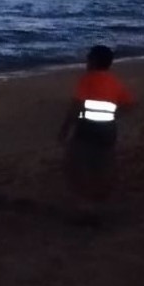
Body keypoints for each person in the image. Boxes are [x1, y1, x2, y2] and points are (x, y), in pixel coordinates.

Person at [58, 44, 135, 218]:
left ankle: (85, 207)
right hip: (108, 130)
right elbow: (129, 104)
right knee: (102, 166)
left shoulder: (88, 79)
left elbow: (76, 106)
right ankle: (98, 204)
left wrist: (65, 128)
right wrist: (113, 114)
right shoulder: (114, 82)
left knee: (77, 165)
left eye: (89, 57)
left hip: (87, 129)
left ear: (93, 61)